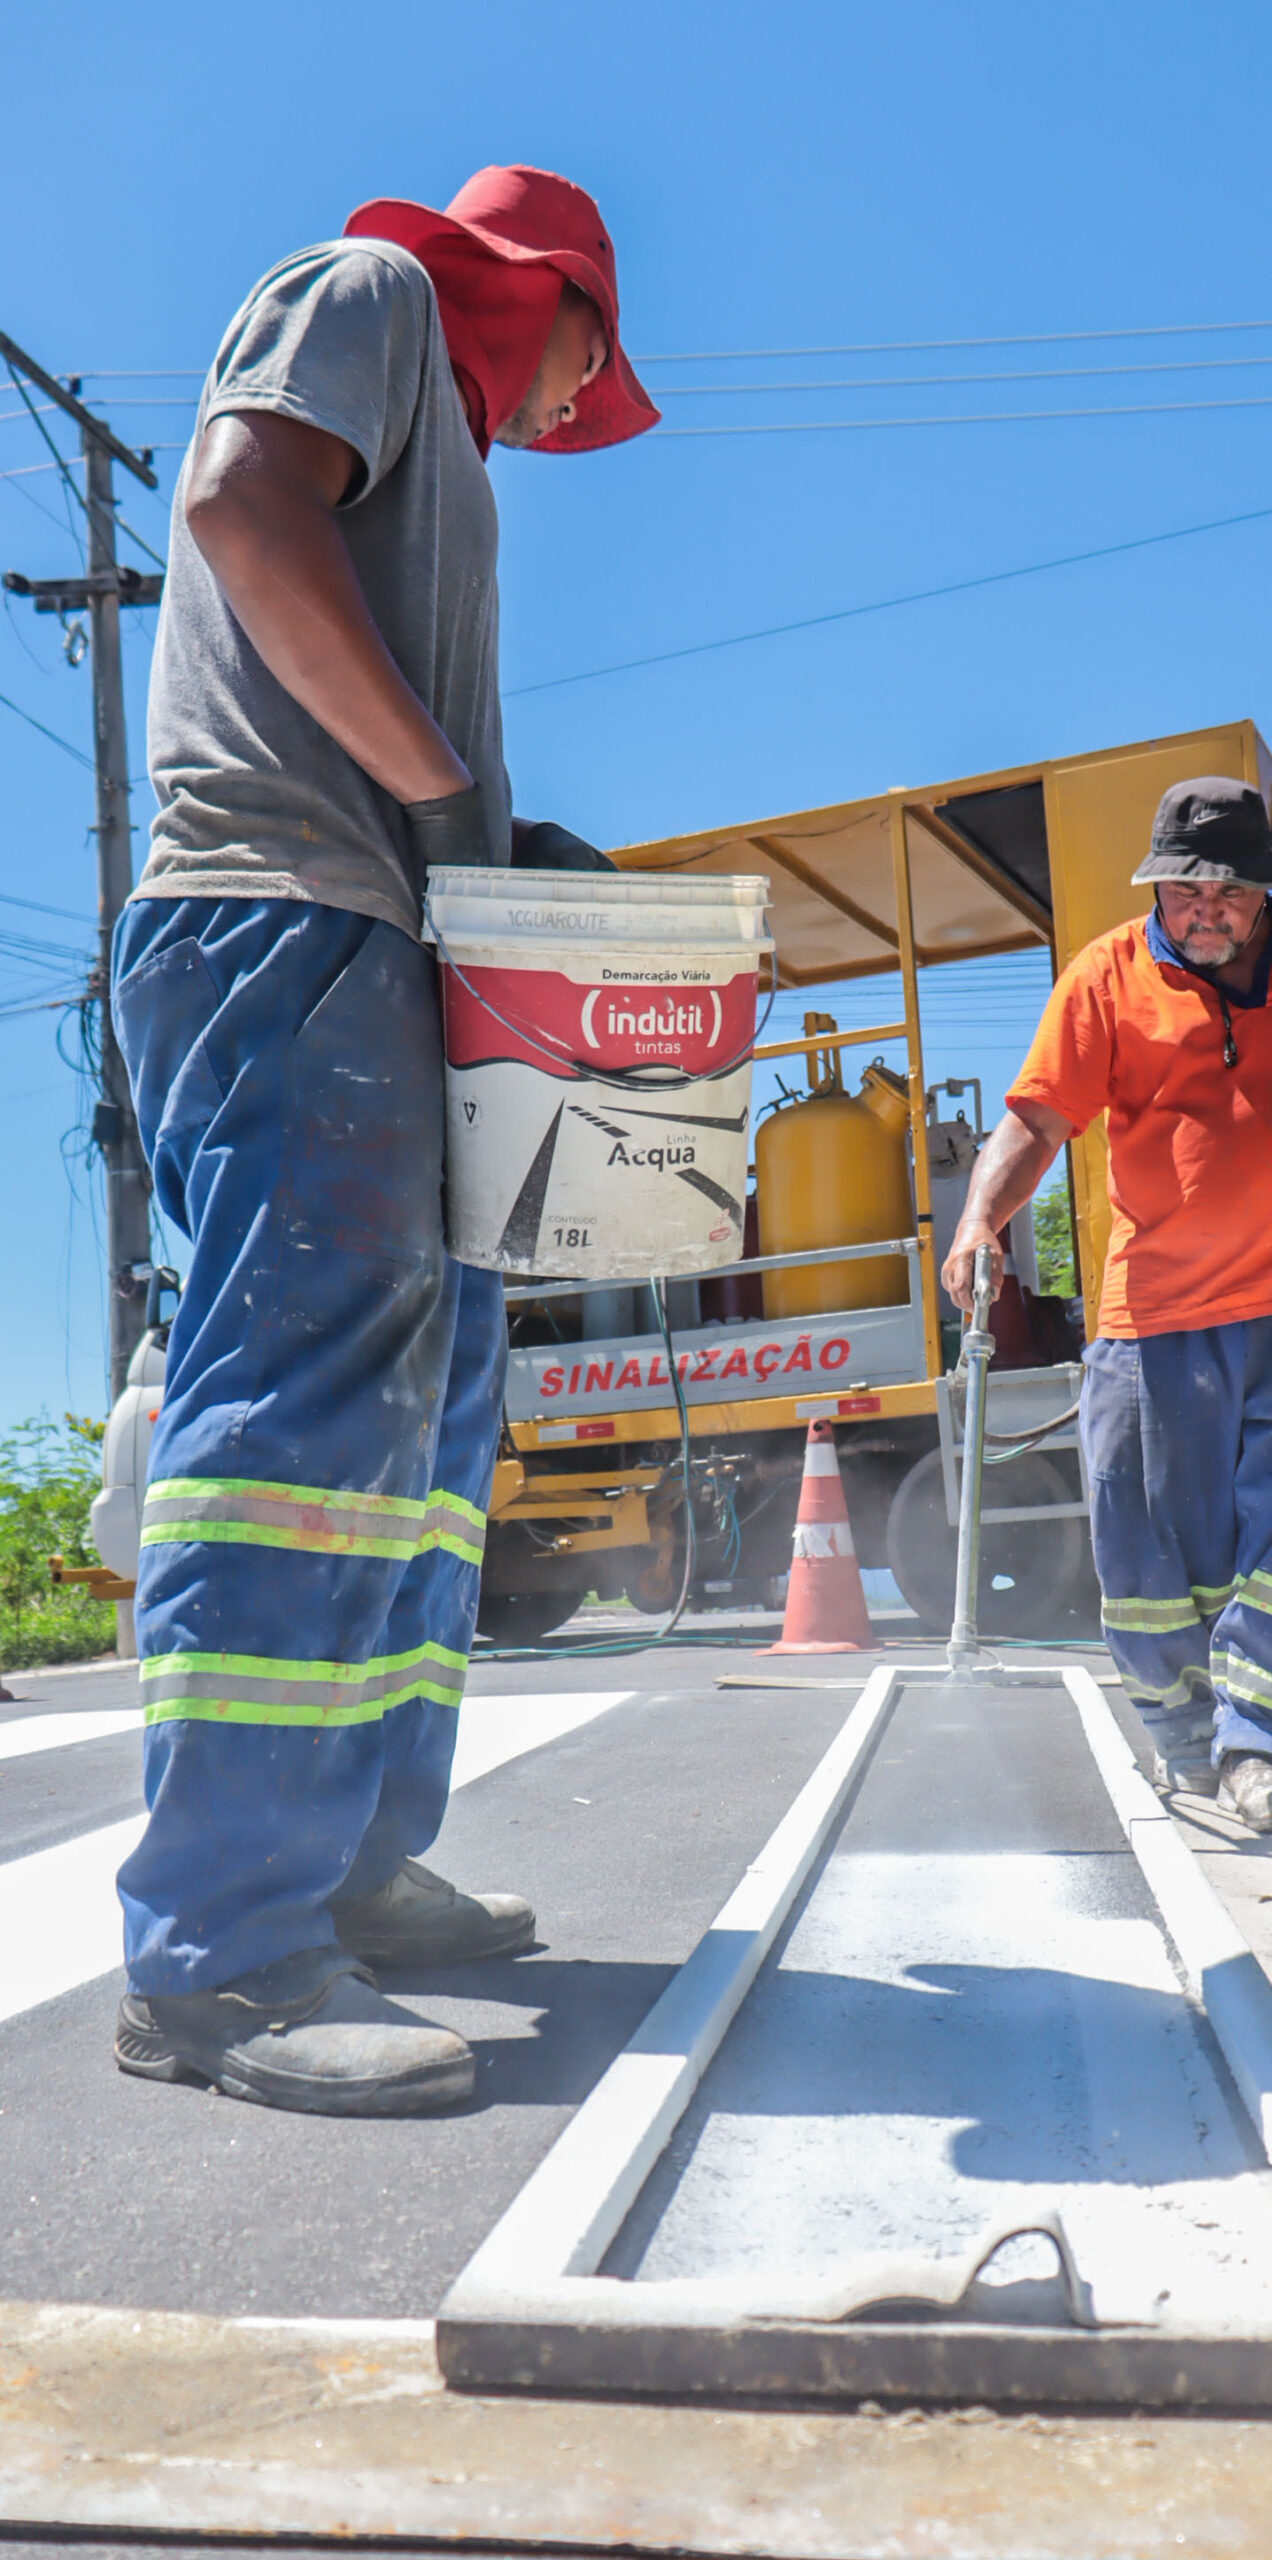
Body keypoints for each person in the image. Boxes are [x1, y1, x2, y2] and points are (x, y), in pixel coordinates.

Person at [108, 166, 658, 2114]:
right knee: (305, 1432)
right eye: (586, 353)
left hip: (389, 931)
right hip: (289, 917)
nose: (573, 395)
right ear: (553, 296)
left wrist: (483, 853)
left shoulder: (440, 405)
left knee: (427, 1430)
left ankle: (345, 1853)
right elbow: (242, 513)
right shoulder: (367, 295)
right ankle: (224, 1958)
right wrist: (451, 805)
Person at [942, 776, 1272, 1834]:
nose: (1203, 910)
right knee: (1143, 1532)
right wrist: (976, 1225)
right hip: (1157, 1310)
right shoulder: (1103, 977)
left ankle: (1257, 1752)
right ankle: (1183, 1739)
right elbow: (1033, 1123)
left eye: (1227, 892)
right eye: (1181, 889)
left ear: (1264, 892)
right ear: (1155, 887)